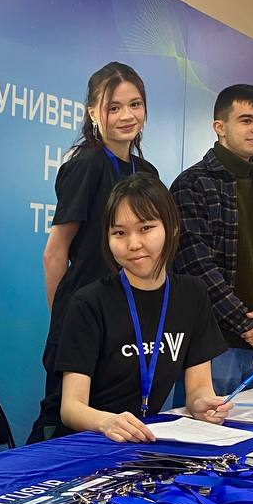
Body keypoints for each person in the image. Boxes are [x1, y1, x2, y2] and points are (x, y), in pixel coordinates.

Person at [26, 61, 160, 442]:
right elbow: (55, 253)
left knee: (121, 429)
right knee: (69, 424)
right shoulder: (86, 165)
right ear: (92, 113)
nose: (127, 116)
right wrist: (66, 322)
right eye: (114, 107)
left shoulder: (146, 172)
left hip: (128, 320)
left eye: (135, 104)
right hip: (85, 315)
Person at [53, 176, 230, 442]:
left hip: (145, 440)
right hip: (91, 441)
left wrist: (201, 403)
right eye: (119, 233)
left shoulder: (192, 294)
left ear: (172, 227)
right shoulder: (89, 302)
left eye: (146, 228)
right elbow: (71, 408)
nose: (133, 244)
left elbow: (199, 387)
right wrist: (106, 421)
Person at [170, 84, 253, 395]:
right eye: (246, 120)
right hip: (214, 346)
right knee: (201, 425)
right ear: (220, 127)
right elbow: (196, 268)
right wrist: (251, 327)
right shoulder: (192, 184)